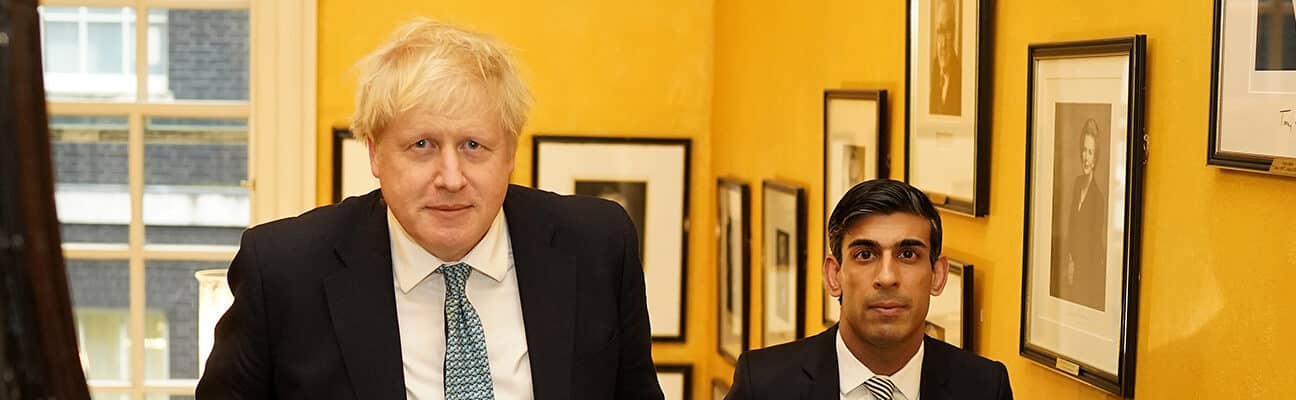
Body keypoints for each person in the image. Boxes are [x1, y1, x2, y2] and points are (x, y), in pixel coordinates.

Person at [196, 18, 662, 399]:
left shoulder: (599, 246)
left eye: (474, 145)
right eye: (422, 145)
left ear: (510, 153)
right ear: (375, 153)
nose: (452, 177)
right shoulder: (283, 271)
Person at [726, 179, 1011, 400]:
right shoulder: (764, 385)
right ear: (834, 274)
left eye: (908, 255)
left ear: (937, 275)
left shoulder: (984, 387)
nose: (887, 277)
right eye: (865, 254)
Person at [1054, 118, 1107, 311]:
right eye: (1084, 150)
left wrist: (1075, 266)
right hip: (1072, 267)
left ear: (1096, 157)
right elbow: (1071, 226)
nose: (1086, 157)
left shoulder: (1098, 199)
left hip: (1088, 274)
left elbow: (1092, 245)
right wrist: (1069, 260)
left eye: (1090, 152)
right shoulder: (1077, 184)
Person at [929, 0, 961, 116]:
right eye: (940, 31)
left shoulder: (961, 76)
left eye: (947, 31)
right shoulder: (934, 69)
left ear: (954, 33)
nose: (942, 44)